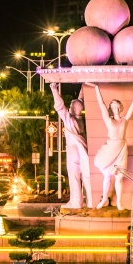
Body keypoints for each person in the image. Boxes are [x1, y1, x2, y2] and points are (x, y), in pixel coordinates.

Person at [91, 83, 133, 209]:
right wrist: (96, 88)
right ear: (111, 107)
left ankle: (119, 203)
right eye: (113, 105)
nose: (115, 107)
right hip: (110, 147)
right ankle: (104, 199)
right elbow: (101, 105)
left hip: (121, 148)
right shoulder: (108, 119)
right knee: (107, 176)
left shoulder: (125, 119)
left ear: (120, 107)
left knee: (119, 177)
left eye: (117, 105)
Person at [50, 81, 93, 210]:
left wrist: (54, 90)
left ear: (73, 109)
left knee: (74, 177)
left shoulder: (70, 121)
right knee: (86, 176)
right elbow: (80, 100)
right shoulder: (81, 121)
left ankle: (76, 202)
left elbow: (59, 106)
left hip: (73, 150)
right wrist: (84, 86)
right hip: (83, 150)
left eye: (70, 105)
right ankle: (91, 202)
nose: (68, 107)